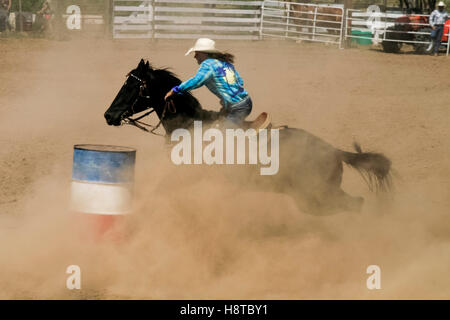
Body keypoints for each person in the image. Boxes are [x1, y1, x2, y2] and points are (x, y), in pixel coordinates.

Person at [164, 38, 252, 126]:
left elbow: (197, 81)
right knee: (218, 125)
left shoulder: (208, 64)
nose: (195, 57)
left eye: (197, 54)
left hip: (237, 107)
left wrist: (175, 90)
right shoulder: (225, 63)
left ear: (204, 54)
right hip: (244, 102)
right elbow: (240, 81)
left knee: (224, 134)